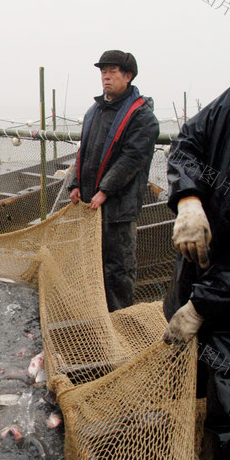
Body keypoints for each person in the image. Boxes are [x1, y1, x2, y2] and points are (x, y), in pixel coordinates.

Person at [163, 75, 230, 460]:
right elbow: (187, 142)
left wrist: (202, 306)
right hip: (197, 274)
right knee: (189, 378)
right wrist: (188, 198)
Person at [67, 50, 159, 311]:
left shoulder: (142, 117)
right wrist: (75, 183)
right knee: (91, 263)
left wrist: (105, 190)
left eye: (112, 71)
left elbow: (133, 158)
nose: (106, 77)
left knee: (118, 269)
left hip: (120, 208)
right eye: (103, 71)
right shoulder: (94, 111)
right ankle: (96, 313)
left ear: (128, 76)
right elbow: (83, 151)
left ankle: (120, 321)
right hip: (90, 206)